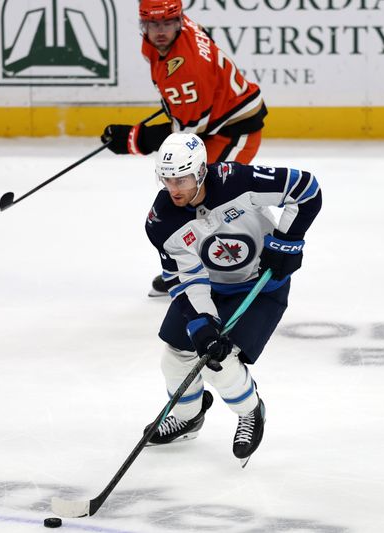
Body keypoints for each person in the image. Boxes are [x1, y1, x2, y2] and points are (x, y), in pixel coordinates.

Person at [144, 132, 322, 466]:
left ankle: (251, 411)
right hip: (211, 288)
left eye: (181, 179)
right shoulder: (162, 221)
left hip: (261, 286)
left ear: (200, 172)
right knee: (175, 357)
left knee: (220, 364)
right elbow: (185, 280)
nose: (174, 189)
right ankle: (187, 418)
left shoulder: (238, 181)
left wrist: (288, 241)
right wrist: (202, 323)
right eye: (167, 180)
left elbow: (307, 189)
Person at [102, 0, 268, 295]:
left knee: (213, 197)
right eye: (153, 24)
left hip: (234, 130)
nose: (160, 31)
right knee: (190, 197)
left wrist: (135, 139)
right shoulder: (177, 31)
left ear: (178, 21)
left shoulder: (187, 69)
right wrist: (177, 103)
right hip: (217, 122)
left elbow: (189, 135)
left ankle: (251, 260)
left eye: (166, 24)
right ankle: (189, 265)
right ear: (143, 25)